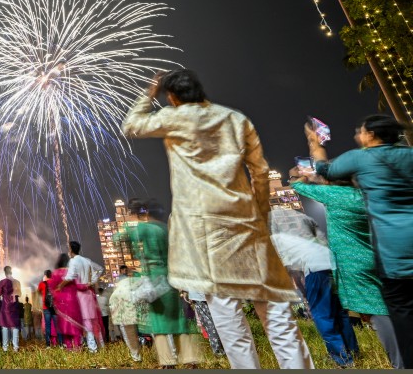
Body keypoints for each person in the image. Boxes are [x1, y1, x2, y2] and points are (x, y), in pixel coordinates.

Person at [122, 70, 313, 369]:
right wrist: (260, 213)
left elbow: (131, 126)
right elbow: (260, 172)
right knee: (275, 312)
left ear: (171, 98)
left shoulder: (175, 118)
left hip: (203, 229)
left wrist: (148, 92)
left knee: (227, 316)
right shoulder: (236, 119)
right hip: (245, 221)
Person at [306, 113, 413, 369]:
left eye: (361, 131)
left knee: (404, 317)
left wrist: (315, 144)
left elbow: (324, 170)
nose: (358, 136)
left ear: (372, 135)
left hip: (393, 252)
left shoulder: (361, 158)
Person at [290, 168, 402, 367]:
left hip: (352, 265)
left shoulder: (335, 195)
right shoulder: (364, 195)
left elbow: (297, 185)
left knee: (373, 314)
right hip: (373, 257)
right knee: (372, 309)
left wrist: (304, 175)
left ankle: (397, 363)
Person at [115, 198, 202, 368]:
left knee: (158, 321)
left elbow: (118, 239)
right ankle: (190, 359)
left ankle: (168, 361)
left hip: (154, 278)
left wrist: (129, 223)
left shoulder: (143, 228)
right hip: (169, 277)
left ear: (145, 213)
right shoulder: (164, 229)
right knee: (177, 318)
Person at [270, 206, 358, 367]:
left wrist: (304, 294)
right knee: (340, 312)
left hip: (313, 268)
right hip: (330, 262)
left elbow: (287, 260)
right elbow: (323, 240)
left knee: (323, 316)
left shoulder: (272, 222)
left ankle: (343, 359)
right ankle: (354, 352)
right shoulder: (303, 217)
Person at [65, 241, 104, 351]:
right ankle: (100, 344)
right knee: (93, 320)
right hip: (89, 293)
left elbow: (69, 277)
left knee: (85, 321)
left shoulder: (73, 261)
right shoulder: (87, 260)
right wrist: (91, 282)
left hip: (80, 295)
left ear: (71, 250)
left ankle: (92, 348)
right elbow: (100, 269)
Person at [48, 254, 83, 350]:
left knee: (65, 326)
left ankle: (69, 347)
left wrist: (57, 296)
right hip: (73, 302)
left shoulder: (55, 273)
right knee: (75, 325)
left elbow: (51, 288)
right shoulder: (71, 272)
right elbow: (80, 286)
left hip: (61, 303)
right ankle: (77, 348)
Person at [108, 268, 142, 363]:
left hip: (124, 314)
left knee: (128, 334)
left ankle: (135, 356)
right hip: (129, 311)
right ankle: (137, 356)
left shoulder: (118, 289)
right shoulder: (132, 283)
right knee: (131, 333)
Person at [0, 266, 21, 351]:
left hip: (5, 307)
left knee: (5, 327)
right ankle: (15, 347)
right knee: (15, 326)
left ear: (5, 272)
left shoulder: (2, 282)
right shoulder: (17, 282)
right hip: (14, 307)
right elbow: (20, 294)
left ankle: (5, 347)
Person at [38, 269, 57, 346]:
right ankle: (61, 344)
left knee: (47, 326)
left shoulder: (42, 283)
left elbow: (39, 292)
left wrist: (43, 280)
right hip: (55, 307)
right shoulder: (55, 283)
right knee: (57, 326)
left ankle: (48, 344)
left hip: (46, 307)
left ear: (45, 275)